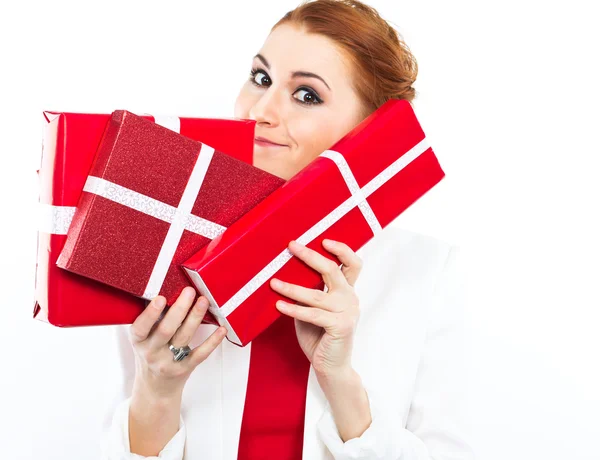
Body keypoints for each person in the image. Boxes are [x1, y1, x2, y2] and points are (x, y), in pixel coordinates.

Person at [100, 0, 476, 459]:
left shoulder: (426, 270)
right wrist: (157, 390)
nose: (259, 110)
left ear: (368, 132)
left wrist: (340, 381)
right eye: (261, 78)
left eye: (306, 95)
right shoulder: (161, 247)